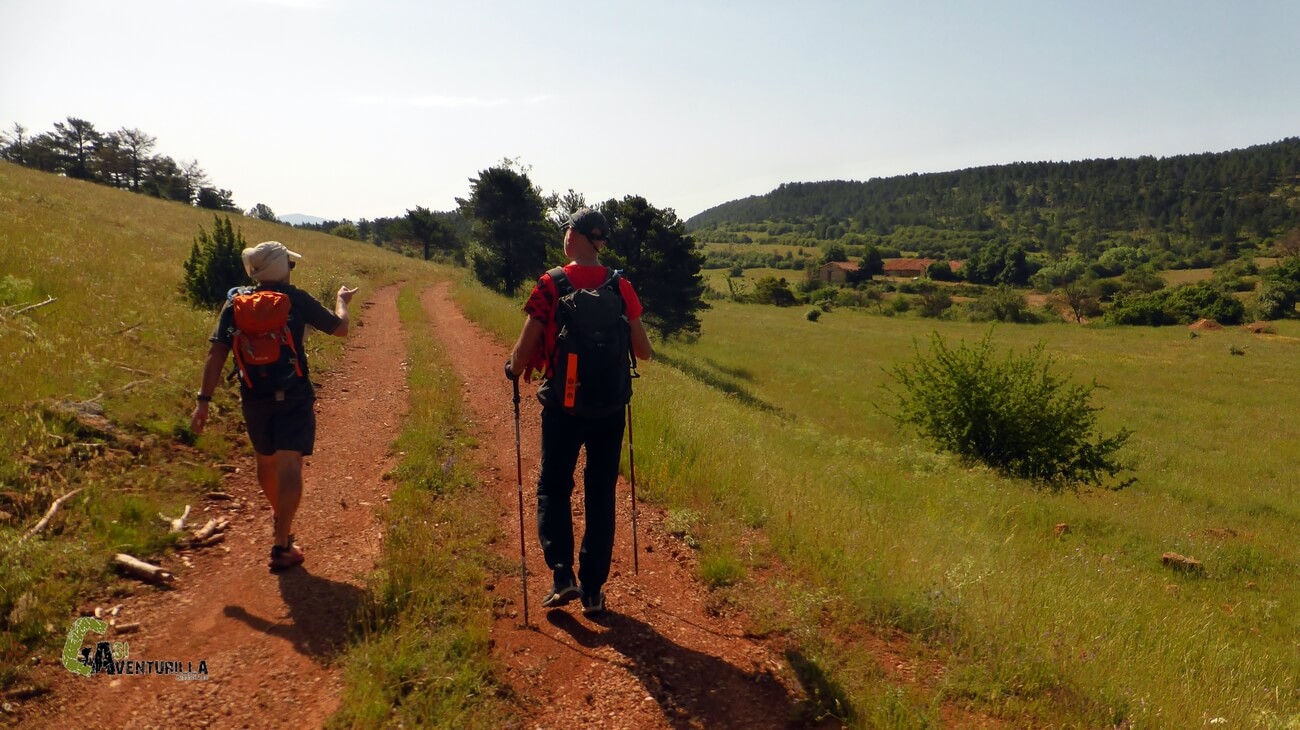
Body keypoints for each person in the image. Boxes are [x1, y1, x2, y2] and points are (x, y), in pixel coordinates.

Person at [506, 208, 653, 616]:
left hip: (563, 407)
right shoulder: (621, 285)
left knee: (554, 487)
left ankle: (561, 576)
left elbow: (523, 350)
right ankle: (592, 590)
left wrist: (512, 369)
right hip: (609, 408)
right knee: (600, 494)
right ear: (600, 242)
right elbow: (643, 352)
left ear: (573, 237)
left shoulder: (550, 284)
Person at [190, 241, 357, 570]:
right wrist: (341, 301)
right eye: (290, 267)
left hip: (254, 397)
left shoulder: (235, 303)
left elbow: (216, 354)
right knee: (290, 464)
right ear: (283, 270)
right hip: (294, 393)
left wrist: (203, 402)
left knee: (266, 464)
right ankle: (282, 544)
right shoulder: (296, 300)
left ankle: (281, 520)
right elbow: (342, 329)